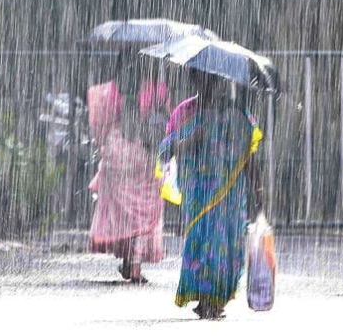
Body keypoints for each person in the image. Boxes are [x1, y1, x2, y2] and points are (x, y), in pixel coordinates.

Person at [160, 70, 262, 318]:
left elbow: (250, 155)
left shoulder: (238, 115)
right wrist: (191, 140)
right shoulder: (184, 113)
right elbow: (166, 150)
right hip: (197, 195)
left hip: (230, 196)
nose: (209, 85)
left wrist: (258, 191)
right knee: (203, 245)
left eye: (214, 80)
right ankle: (207, 298)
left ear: (223, 81)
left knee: (227, 246)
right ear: (193, 81)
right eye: (202, 80)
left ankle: (216, 297)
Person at [87, 73, 169, 283]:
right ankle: (134, 265)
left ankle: (127, 262)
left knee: (125, 215)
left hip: (119, 156)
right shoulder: (156, 92)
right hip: (143, 154)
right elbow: (166, 124)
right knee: (142, 216)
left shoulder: (107, 94)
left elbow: (100, 133)